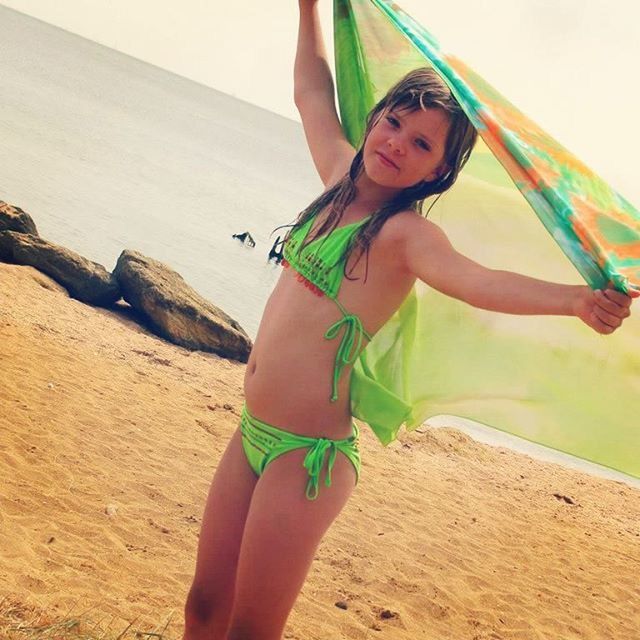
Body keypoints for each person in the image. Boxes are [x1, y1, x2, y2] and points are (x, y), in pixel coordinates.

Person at [183, 2, 634, 638]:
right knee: (204, 604)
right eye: (394, 122)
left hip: (305, 459)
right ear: (373, 120)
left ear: (437, 171)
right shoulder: (338, 175)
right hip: (251, 431)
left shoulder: (404, 237)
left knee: (251, 631)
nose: (398, 142)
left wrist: (574, 301)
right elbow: (312, 89)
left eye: (421, 143)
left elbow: (480, 283)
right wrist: (310, 7)